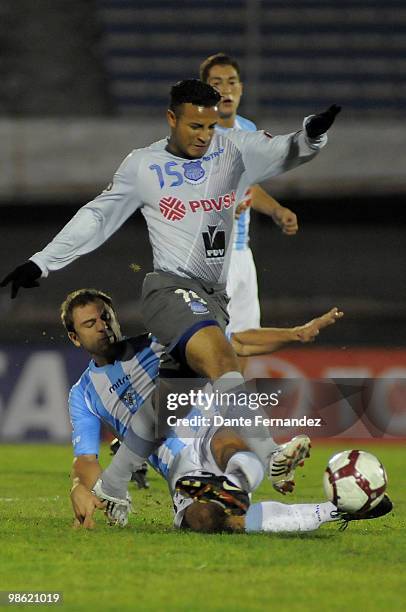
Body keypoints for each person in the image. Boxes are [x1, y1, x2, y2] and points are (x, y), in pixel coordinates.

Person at [2, 79, 341, 489]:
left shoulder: (234, 151)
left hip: (214, 297)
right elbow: (98, 216)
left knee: (165, 408)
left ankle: (113, 484)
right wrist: (42, 262)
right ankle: (270, 453)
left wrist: (312, 134)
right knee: (220, 355)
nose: (203, 136)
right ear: (171, 119)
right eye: (194, 126)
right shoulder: (143, 166)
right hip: (169, 290)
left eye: (210, 126)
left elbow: (285, 151)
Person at [64, 288, 344, 528]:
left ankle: (251, 473)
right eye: (90, 324)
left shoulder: (159, 342)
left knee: (231, 441)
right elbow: (86, 459)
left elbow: (234, 342)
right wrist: (81, 488)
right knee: (207, 520)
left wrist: (297, 334)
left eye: (106, 317)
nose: (102, 326)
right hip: (178, 466)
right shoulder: (83, 394)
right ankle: (328, 509)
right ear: (75, 337)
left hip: (211, 432)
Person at [200, 53, 299, 333]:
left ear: (241, 89)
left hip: (242, 251)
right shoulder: (198, 136)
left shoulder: (248, 129)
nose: (225, 89)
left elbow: (247, 185)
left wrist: (276, 210)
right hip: (212, 253)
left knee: (244, 341)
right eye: (216, 83)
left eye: (231, 82)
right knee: (213, 345)